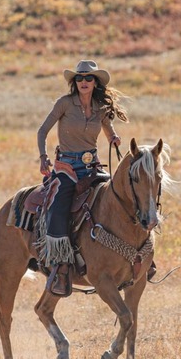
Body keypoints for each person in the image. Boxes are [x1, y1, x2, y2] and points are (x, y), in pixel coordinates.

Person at [37, 60, 133, 296]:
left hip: (92, 166)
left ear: (95, 82)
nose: (83, 82)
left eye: (88, 78)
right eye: (79, 79)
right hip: (67, 167)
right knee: (59, 206)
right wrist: (43, 157)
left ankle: (136, 254)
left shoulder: (100, 107)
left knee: (121, 195)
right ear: (74, 82)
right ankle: (59, 267)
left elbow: (108, 128)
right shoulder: (64, 104)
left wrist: (113, 138)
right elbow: (42, 130)